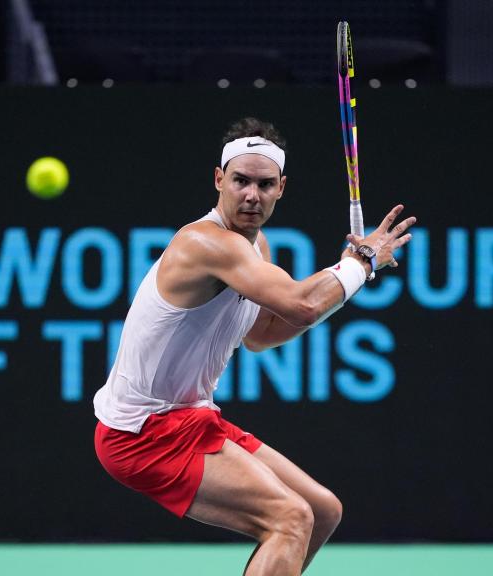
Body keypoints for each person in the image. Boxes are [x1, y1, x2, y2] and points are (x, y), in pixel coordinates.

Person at [93, 117, 415, 575]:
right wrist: (361, 265)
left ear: (281, 188)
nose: (251, 195)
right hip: (142, 433)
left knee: (320, 510)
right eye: (240, 181)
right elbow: (303, 305)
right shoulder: (205, 243)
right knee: (290, 518)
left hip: (189, 417)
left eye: (264, 185)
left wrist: (350, 273)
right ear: (218, 180)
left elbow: (261, 334)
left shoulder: (256, 245)